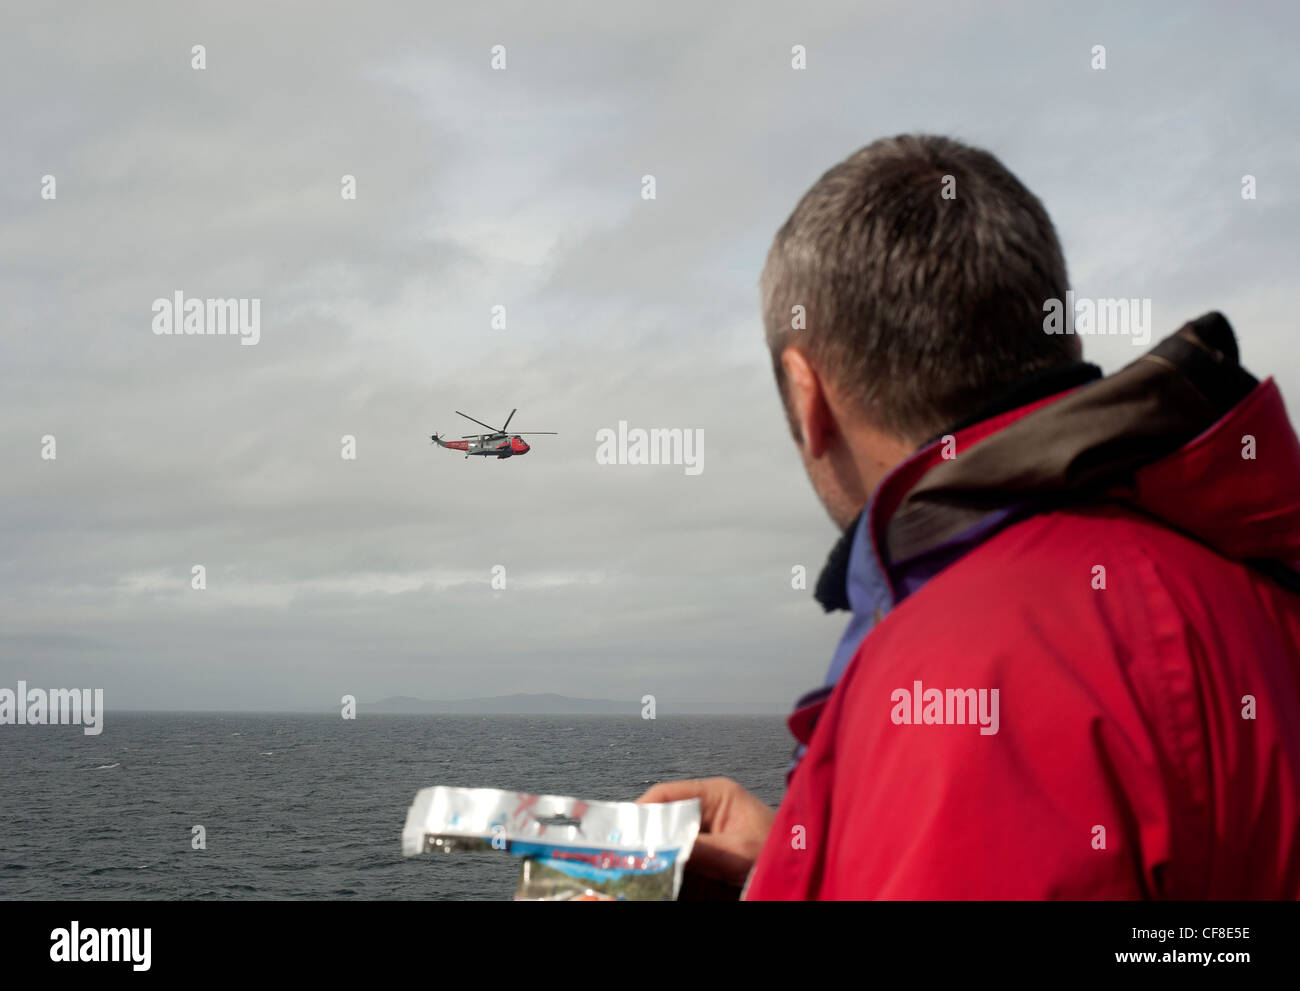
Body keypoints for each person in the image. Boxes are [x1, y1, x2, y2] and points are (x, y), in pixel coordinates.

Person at [640, 134, 1300, 899]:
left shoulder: (958, 674)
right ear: (1064, 342)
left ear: (806, 392)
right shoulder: (1248, 581)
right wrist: (796, 860)